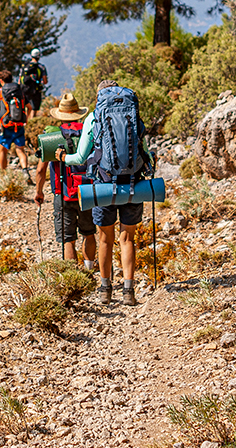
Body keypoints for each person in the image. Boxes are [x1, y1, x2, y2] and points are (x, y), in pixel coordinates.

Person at [58, 79, 151, 306]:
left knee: (105, 239)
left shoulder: (94, 118)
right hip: (132, 184)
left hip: (104, 185)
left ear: (99, 96)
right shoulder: (132, 114)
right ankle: (129, 292)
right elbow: (145, 151)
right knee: (127, 238)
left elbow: (80, 158)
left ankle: (105, 289)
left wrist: (62, 157)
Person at [34, 93, 96, 268]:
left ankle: (74, 276)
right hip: (87, 190)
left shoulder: (52, 137)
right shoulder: (88, 132)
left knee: (68, 238)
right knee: (89, 233)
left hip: (63, 192)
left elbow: (40, 170)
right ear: (79, 113)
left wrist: (39, 192)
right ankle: (89, 269)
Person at [0, 69, 30, 179]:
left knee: (3, 149)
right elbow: (29, 107)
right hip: (19, 125)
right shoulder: (20, 90)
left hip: (5, 126)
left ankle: (4, 174)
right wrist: (26, 119)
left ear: (1, 80)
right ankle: (25, 171)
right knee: (20, 150)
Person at [21, 49, 49, 118]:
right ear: (39, 56)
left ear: (31, 56)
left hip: (24, 89)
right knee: (34, 108)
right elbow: (45, 81)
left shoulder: (25, 66)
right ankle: (32, 121)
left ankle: (25, 122)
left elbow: (20, 78)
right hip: (35, 90)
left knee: (25, 106)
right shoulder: (41, 67)